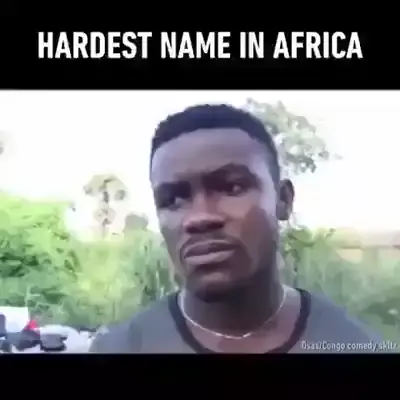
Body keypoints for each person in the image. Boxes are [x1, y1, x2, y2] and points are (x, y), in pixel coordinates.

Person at [90, 104, 384, 353]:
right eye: (174, 199)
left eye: (231, 187)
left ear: (283, 200)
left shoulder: (356, 346)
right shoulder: (120, 348)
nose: (199, 218)